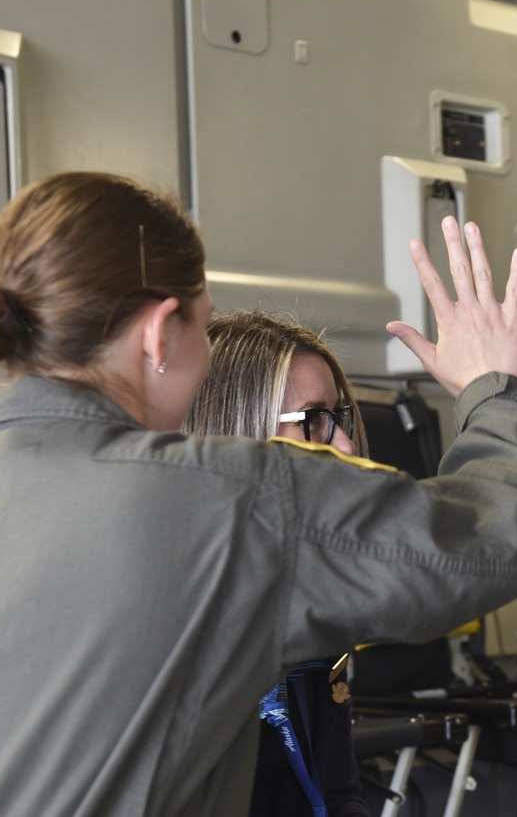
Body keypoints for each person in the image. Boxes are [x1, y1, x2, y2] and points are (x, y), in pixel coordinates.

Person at [0, 171, 517, 817]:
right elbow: (511, 529)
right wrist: (489, 389)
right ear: (161, 334)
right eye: (204, 321)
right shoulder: (232, 502)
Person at [181, 309, 371, 817]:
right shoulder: (175, 610)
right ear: (235, 432)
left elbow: (336, 790)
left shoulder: (307, 581)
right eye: (314, 421)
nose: (346, 445)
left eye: (339, 419)